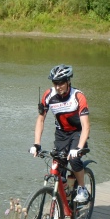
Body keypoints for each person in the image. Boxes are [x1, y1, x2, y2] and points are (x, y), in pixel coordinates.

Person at [30, 64, 90, 203]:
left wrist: (78, 148)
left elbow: (86, 126)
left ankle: (82, 188)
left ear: (68, 81)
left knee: (74, 160)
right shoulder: (48, 95)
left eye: (61, 83)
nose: (58, 87)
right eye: (55, 83)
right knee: (57, 166)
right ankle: (64, 198)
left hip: (77, 132)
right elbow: (40, 120)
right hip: (61, 134)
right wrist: (37, 144)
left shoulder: (78, 96)